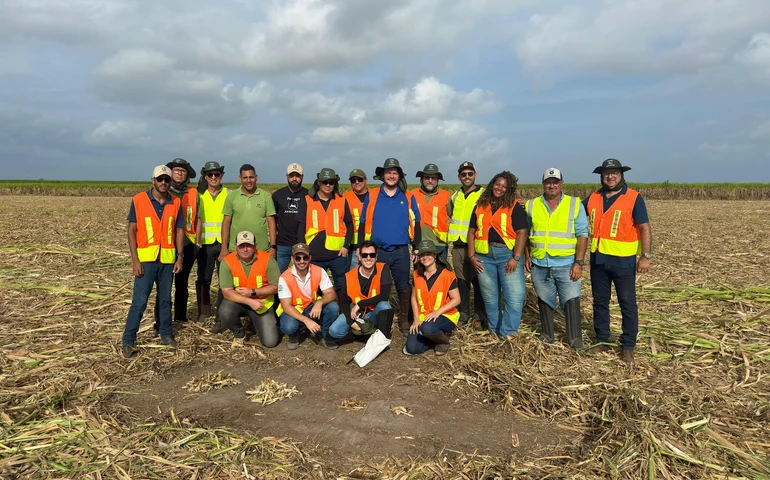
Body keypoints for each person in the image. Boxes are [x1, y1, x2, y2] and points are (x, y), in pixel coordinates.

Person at [583, 159, 652, 364]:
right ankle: (603, 340)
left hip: (623, 262)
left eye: (614, 173)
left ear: (621, 175)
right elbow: (571, 211)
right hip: (598, 260)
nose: (610, 176)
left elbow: (644, 227)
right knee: (600, 302)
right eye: (606, 173)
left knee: (627, 304)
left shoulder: (634, 198)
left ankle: (628, 346)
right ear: (601, 176)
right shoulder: (593, 197)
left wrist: (646, 256)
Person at [122, 165, 184, 358]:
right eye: (160, 179)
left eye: (167, 179)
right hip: (146, 261)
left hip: (167, 259)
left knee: (165, 300)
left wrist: (179, 257)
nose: (164, 182)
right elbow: (131, 231)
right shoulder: (138, 200)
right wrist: (135, 260)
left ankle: (165, 333)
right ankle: (128, 340)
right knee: (139, 302)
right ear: (153, 180)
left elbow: (179, 230)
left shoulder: (176, 202)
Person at [525, 168, 588, 349]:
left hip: (567, 264)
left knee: (571, 299)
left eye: (555, 182)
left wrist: (578, 263)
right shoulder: (531, 205)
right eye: (548, 182)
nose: (551, 185)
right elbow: (526, 233)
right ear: (543, 184)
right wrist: (528, 256)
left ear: (561, 183)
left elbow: (582, 235)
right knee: (544, 298)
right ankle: (547, 335)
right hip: (540, 264)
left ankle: (575, 339)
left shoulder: (574, 204)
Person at [360, 158, 422, 336]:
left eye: (395, 173)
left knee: (403, 286)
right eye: (388, 172)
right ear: (383, 175)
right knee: (379, 287)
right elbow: (363, 222)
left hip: (401, 251)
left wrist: (416, 247)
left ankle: (404, 320)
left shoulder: (408, 196)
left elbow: (417, 221)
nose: (391, 176)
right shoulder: (372, 195)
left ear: (399, 176)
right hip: (378, 251)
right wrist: (361, 247)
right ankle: (380, 321)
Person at [467, 171, 529, 338]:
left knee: (514, 297)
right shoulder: (480, 205)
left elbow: (522, 232)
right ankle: (495, 332)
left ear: (509, 189)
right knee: (490, 298)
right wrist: (471, 255)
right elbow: (472, 231)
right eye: (497, 184)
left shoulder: (514, 206)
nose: (500, 188)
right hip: (484, 257)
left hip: (507, 255)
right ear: (492, 184)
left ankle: (508, 334)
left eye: (504, 186)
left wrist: (516, 257)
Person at [213, 231, 280, 348]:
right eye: (241, 246)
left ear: (255, 245)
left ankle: (255, 323)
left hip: (262, 304)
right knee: (225, 310)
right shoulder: (227, 261)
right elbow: (227, 292)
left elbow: (277, 287)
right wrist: (249, 301)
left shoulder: (267, 259)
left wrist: (253, 292)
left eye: (248, 245)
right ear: (235, 246)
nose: (245, 249)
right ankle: (239, 334)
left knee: (271, 342)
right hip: (239, 303)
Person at [152, 158, 197, 329]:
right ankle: (160, 321)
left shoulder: (193, 193)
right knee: (164, 286)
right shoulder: (163, 191)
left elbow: (198, 217)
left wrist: (197, 243)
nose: (179, 173)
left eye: (183, 171)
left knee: (182, 283)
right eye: (176, 170)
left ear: (187, 175)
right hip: (166, 245)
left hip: (187, 244)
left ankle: (180, 317)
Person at [297, 168, 353, 297]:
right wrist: (302, 249)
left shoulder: (341, 200)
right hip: (314, 256)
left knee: (342, 288)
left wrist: (346, 246)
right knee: (314, 289)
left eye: (331, 182)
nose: (328, 185)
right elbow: (301, 226)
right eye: (325, 182)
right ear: (319, 182)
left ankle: (342, 310)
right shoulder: (307, 200)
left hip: (337, 256)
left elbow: (349, 224)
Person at [327, 241, 395, 343]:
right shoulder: (349, 276)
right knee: (334, 331)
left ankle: (381, 340)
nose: (368, 258)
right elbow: (345, 304)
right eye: (365, 255)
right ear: (359, 257)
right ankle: (360, 333)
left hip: (373, 314)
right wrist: (350, 322)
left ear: (376, 256)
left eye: (372, 255)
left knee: (385, 306)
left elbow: (384, 296)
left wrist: (360, 303)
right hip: (356, 314)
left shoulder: (383, 268)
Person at [277, 243, 340, 350]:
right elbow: (286, 306)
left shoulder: (319, 271)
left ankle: (322, 334)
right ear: (292, 259)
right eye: (298, 258)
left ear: (310, 258)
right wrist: (306, 320)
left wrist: (319, 302)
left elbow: (331, 294)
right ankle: (294, 335)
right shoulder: (284, 278)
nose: (302, 261)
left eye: (305, 257)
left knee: (333, 307)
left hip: (311, 307)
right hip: (293, 309)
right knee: (289, 326)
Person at [446, 161, 487, 328]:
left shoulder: (484, 195)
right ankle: (463, 314)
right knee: (461, 282)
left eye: (470, 173)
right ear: (459, 177)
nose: (467, 177)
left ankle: (479, 316)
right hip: (457, 246)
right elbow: (450, 214)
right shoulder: (455, 196)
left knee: (478, 282)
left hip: (476, 246)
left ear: (475, 175)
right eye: (464, 174)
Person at [403, 240, 461, 356]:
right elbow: (414, 298)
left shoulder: (447, 275)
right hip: (424, 316)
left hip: (445, 315)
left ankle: (443, 341)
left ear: (435, 255)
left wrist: (437, 312)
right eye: (422, 255)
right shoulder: (416, 275)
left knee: (427, 327)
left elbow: (457, 299)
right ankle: (433, 339)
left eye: (428, 254)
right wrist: (416, 319)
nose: (425, 257)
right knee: (411, 348)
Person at [219, 164, 277, 262]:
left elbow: (271, 223)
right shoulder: (232, 197)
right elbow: (226, 223)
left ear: (256, 177)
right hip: (237, 250)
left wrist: (273, 247)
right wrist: (224, 248)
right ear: (240, 178)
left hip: (260, 249)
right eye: (245, 178)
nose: (248, 180)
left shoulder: (265, 196)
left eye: (251, 177)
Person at [195, 161, 228, 322]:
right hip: (205, 244)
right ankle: (204, 311)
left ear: (221, 176)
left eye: (217, 174)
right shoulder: (198, 195)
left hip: (223, 244)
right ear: (205, 177)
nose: (213, 177)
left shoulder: (229, 194)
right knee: (203, 278)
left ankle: (222, 313)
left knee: (225, 280)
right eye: (210, 174)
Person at [272, 163, 308, 273]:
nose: (294, 179)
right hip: (282, 245)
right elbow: (273, 219)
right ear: (287, 176)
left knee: (303, 275)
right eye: (291, 176)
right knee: (279, 276)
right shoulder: (277, 195)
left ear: (302, 176)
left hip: (302, 244)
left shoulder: (309, 196)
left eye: (297, 176)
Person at [411, 163, 450, 262]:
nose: (430, 181)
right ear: (422, 179)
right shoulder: (412, 194)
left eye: (433, 178)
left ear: (438, 180)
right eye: (427, 177)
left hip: (439, 244)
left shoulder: (446, 196)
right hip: (418, 244)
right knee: (419, 271)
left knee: (440, 271)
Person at [342, 168, 370, 270]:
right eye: (353, 180)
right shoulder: (344, 198)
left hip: (373, 244)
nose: (356, 182)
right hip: (353, 246)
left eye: (360, 179)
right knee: (354, 274)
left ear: (366, 180)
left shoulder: (375, 196)